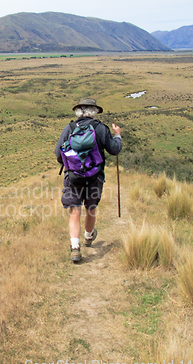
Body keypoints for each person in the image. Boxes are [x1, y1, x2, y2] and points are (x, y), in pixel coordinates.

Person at [54, 98, 122, 262]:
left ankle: (75, 248)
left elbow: (58, 155)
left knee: (75, 211)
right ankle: (88, 236)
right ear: (94, 112)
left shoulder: (69, 128)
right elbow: (114, 150)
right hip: (95, 177)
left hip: (73, 177)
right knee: (90, 208)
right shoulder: (100, 129)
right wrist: (117, 136)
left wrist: (73, 164)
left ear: (79, 112)